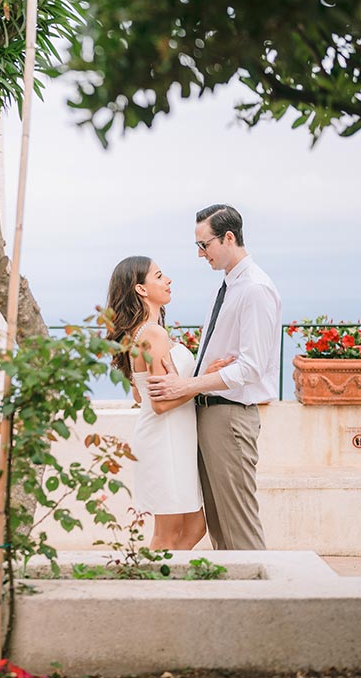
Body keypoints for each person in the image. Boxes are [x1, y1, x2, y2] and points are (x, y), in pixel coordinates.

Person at [147, 204, 281, 551]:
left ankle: (259, 601)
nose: (200, 254)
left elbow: (251, 367)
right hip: (210, 413)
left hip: (231, 417)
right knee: (221, 530)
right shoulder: (226, 288)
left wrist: (188, 385)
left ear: (229, 238)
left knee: (239, 528)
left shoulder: (255, 289)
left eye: (204, 245)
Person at [106, 255, 228, 550]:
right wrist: (200, 384)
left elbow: (140, 395)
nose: (168, 280)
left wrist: (185, 385)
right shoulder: (153, 334)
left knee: (196, 525)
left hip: (174, 437)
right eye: (159, 276)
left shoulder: (145, 332)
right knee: (167, 533)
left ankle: (168, 579)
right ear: (141, 289)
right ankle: (151, 590)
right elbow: (159, 405)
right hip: (165, 439)